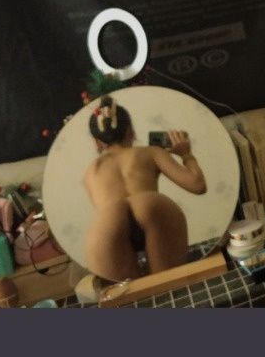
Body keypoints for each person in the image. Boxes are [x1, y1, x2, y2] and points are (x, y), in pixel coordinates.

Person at [84, 95, 206, 283]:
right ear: (130, 131)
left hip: (108, 220)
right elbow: (197, 185)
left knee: (129, 295)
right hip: (151, 205)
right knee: (169, 287)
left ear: (97, 142)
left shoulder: (91, 171)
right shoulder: (151, 151)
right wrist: (186, 154)